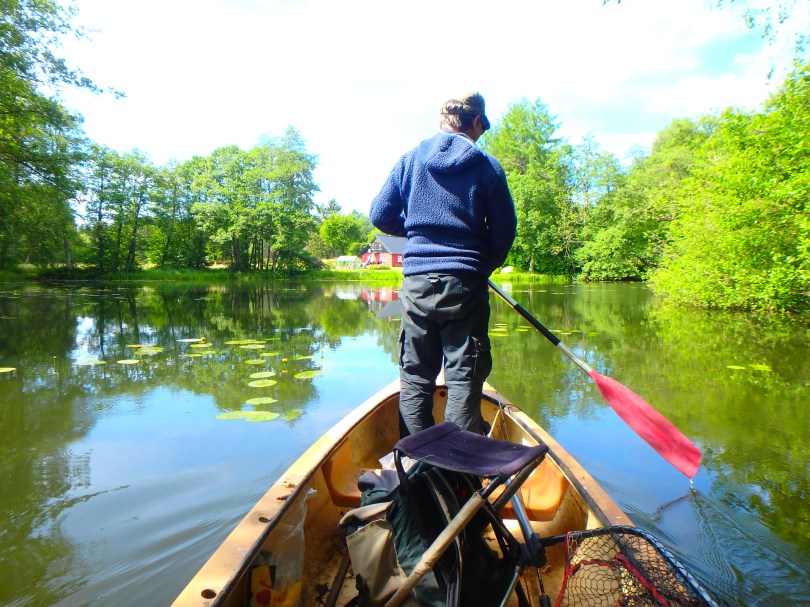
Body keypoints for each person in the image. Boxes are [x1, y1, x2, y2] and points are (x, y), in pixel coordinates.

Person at [370, 92, 517, 437]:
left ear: (443, 121)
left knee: (415, 377)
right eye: (482, 129)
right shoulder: (487, 166)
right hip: (465, 285)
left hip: (417, 283)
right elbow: (504, 231)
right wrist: (481, 265)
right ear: (476, 122)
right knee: (463, 377)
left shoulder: (410, 160)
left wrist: (416, 233)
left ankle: (416, 462)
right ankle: (459, 464)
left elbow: (380, 215)